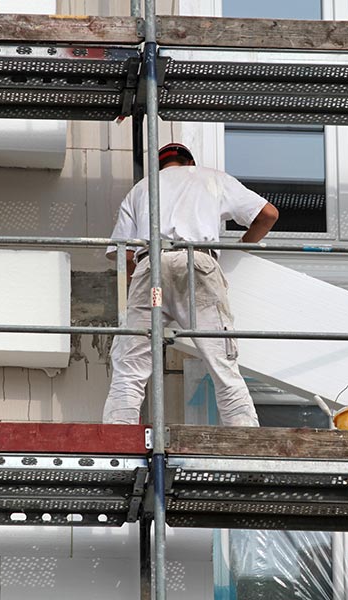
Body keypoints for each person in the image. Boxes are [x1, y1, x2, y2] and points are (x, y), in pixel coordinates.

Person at [102, 142, 279, 427]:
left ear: (160, 166)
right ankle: (245, 436)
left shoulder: (141, 189)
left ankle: (116, 439)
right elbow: (268, 214)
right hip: (197, 263)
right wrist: (241, 247)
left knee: (129, 366)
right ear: (189, 163)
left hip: (151, 268)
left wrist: (143, 294)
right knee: (222, 362)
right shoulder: (211, 178)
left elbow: (124, 256)